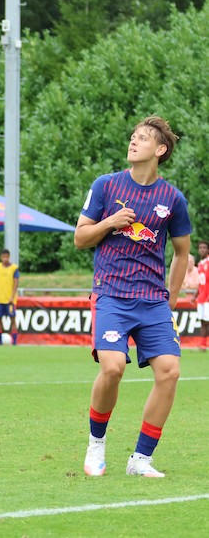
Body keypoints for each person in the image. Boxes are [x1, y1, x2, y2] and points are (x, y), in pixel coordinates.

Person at [76, 116, 190, 479]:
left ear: (160, 150)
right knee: (112, 367)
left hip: (153, 300)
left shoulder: (172, 199)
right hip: (111, 292)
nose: (133, 142)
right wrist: (110, 222)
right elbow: (80, 238)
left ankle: (140, 459)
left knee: (170, 372)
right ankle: (96, 444)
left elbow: (182, 252)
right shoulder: (106, 186)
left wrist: (169, 298)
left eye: (142, 138)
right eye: (132, 137)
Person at [0, 249, 20, 345]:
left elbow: (16, 283)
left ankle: (14, 342)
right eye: (3, 257)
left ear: (9, 257)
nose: (5, 259)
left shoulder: (14, 268)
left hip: (10, 299)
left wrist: (12, 296)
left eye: (6, 257)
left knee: (12, 319)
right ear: (1, 257)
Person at [195, 240, 209, 352]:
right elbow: (201, 282)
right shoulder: (200, 264)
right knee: (202, 321)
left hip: (207, 298)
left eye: (204, 247)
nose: (202, 250)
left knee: (207, 321)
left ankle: (204, 344)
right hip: (201, 298)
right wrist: (196, 295)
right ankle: (202, 344)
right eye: (200, 248)